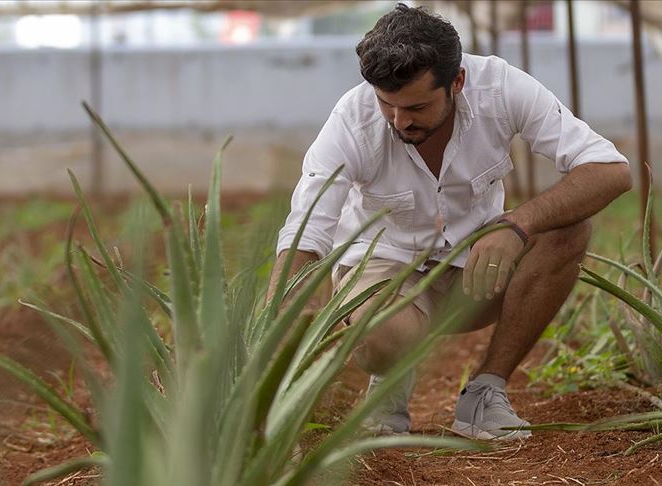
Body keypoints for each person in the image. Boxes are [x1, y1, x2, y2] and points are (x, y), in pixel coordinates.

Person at [267, 3, 631, 440]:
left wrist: (517, 226)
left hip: (476, 273)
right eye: (388, 104)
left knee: (568, 227)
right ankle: (389, 381)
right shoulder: (353, 120)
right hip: (386, 274)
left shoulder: (502, 88)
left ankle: (485, 392)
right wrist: (284, 325)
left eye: (417, 107)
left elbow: (610, 170)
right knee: (382, 336)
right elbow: (308, 226)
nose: (400, 121)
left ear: (457, 81)